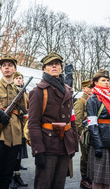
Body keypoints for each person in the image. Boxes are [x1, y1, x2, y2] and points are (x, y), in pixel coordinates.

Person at [28, 52, 79, 189]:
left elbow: (72, 118)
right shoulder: (38, 91)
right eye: (50, 64)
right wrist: (38, 151)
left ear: (61, 68)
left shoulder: (68, 90)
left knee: (59, 184)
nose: (54, 66)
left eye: (57, 63)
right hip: (47, 145)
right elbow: (33, 124)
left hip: (65, 144)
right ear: (44, 69)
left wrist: (74, 144)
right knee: (44, 184)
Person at [0, 56, 27, 189]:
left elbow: (24, 111)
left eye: (10, 65)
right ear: (0, 69)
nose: (7, 67)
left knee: (7, 173)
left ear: (15, 69)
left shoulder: (18, 90)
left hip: (15, 135)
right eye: (4, 65)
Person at [86, 69, 110, 189]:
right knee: (98, 178)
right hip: (101, 141)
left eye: (108, 80)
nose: (107, 82)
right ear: (95, 82)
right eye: (103, 80)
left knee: (107, 178)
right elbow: (92, 124)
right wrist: (98, 144)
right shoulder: (92, 99)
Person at [73, 79, 93, 189]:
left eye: (92, 87)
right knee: (85, 156)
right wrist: (80, 133)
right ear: (84, 89)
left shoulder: (95, 99)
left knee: (93, 155)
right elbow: (77, 119)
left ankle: (92, 177)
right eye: (89, 87)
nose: (91, 89)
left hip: (94, 132)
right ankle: (84, 179)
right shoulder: (81, 101)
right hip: (85, 133)